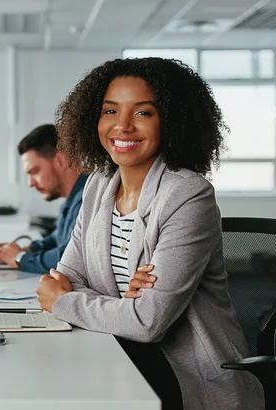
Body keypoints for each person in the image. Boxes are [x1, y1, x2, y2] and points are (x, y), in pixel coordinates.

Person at [35, 57, 264, 409]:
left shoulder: (188, 194)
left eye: (142, 113)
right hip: (121, 357)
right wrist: (121, 305)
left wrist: (65, 302)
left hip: (186, 377)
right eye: (110, 111)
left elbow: (146, 323)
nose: (122, 126)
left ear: (171, 121)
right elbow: (68, 275)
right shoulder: (98, 185)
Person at [0, 124, 87, 273]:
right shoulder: (71, 202)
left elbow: (70, 257)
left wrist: (20, 258)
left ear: (60, 160)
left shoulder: (89, 200)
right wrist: (28, 249)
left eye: (34, 171)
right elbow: (57, 238)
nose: (31, 183)